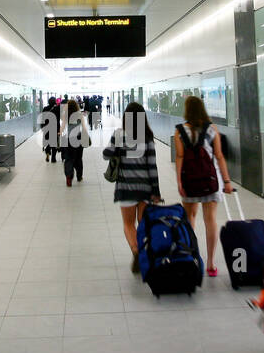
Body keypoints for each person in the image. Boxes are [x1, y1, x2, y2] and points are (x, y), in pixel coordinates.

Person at [173, 95, 233, 278]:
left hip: (189, 180)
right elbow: (219, 156)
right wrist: (227, 181)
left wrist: (179, 182)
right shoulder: (212, 129)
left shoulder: (179, 131)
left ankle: (192, 257)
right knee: (211, 220)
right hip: (210, 180)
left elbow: (180, 157)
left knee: (190, 217)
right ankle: (211, 263)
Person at [104, 102, 162, 272]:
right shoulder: (148, 137)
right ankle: (144, 253)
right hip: (145, 187)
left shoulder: (119, 135)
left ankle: (135, 250)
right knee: (143, 224)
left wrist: (117, 150)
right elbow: (152, 166)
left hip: (125, 187)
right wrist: (156, 191)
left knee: (128, 224)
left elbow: (106, 155)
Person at [61, 97, 90, 187]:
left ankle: (69, 177)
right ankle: (79, 176)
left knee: (69, 159)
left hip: (68, 139)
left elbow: (62, 127)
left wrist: (59, 134)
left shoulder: (65, 115)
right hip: (78, 138)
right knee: (78, 158)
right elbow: (84, 127)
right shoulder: (80, 115)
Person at [40, 96, 60, 163]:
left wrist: (42, 127)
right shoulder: (57, 108)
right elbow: (58, 119)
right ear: (54, 101)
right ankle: (53, 158)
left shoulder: (45, 108)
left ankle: (48, 153)